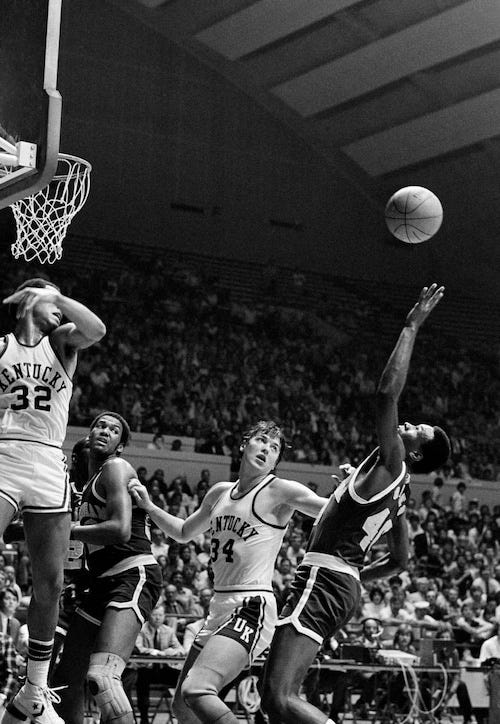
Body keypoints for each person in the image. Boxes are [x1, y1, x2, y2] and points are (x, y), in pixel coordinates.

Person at [261, 284, 451, 724]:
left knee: (278, 696)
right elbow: (402, 559)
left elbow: (386, 394)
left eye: (417, 429)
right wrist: (357, 574)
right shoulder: (397, 490)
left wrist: (410, 326)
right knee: (276, 698)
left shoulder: (395, 461)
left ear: (416, 453)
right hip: (339, 582)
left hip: (326, 578)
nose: (409, 422)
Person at [128, 419, 327, 724]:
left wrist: (351, 494)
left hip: (251, 606)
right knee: (183, 708)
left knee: (198, 688)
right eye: (261, 441)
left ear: (276, 461)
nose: (267, 449)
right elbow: (183, 532)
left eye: (274, 448)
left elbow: (326, 509)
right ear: (243, 445)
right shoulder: (220, 492)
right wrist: (150, 507)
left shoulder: (279, 490)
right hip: (218, 608)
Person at [0, 278, 106, 724]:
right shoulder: (1, 346)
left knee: (51, 584)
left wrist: (56, 297)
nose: (61, 312)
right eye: (52, 301)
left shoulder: (62, 342)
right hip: (4, 452)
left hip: (46, 461)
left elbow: (96, 329)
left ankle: (34, 691)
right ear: (29, 303)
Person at [51, 412, 162, 724]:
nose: (105, 431)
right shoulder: (89, 484)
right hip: (101, 583)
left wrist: (65, 529)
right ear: (89, 433)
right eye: (100, 425)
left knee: (103, 676)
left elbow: (120, 530)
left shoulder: (115, 468)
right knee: (64, 679)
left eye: (114, 430)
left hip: (132, 573)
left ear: (121, 446)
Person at [135, 604, 185, 724]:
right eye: (155, 615)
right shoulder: (141, 629)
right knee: (142, 679)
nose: (157, 618)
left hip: (163, 669)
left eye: (160, 615)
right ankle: (144, 718)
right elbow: (138, 647)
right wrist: (154, 652)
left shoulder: (168, 630)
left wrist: (172, 651)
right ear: (149, 616)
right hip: (146, 669)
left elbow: (181, 649)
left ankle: (182, 714)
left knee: (183, 677)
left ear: (164, 616)